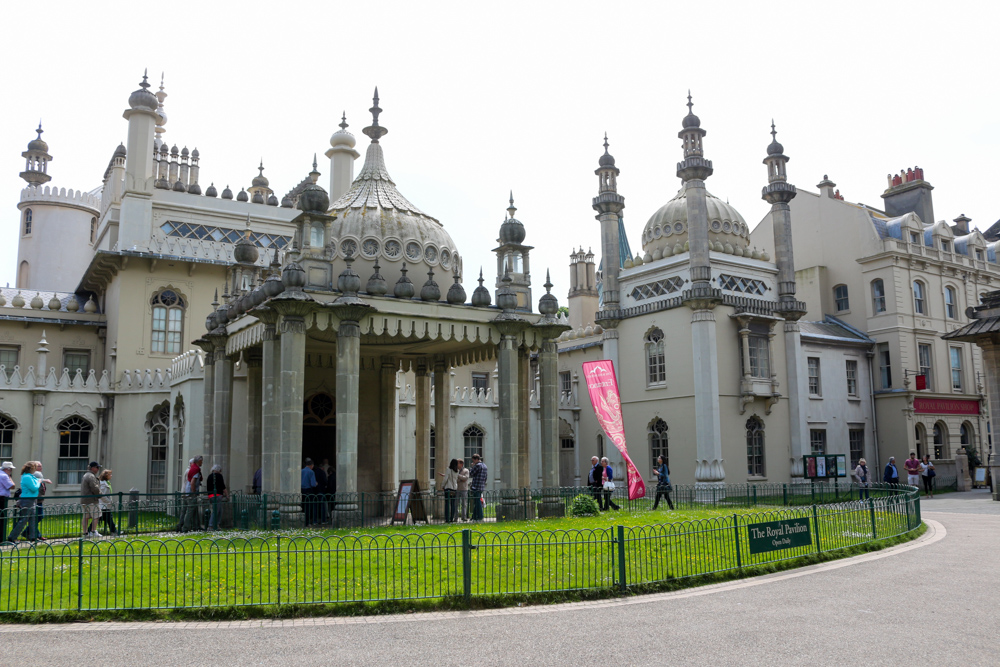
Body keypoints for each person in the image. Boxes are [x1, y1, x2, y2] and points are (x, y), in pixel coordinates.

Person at [7, 462, 41, 542]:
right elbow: (34, 487)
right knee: (24, 519)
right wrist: (39, 483)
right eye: (35, 467)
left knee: (33, 519)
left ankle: (33, 537)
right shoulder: (27, 477)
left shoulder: (30, 476)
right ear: (31, 468)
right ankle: (12, 537)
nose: (36, 469)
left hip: (32, 499)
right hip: (27, 500)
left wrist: (42, 480)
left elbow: (37, 480)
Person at [177, 456, 204, 532]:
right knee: (189, 511)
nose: (202, 463)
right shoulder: (195, 470)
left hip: (186, 493)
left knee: (192, 510)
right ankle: (185, 528)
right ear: (198, 461)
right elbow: (192, 482)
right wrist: (194, 492)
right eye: (201, 461)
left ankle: (196, 526)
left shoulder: (191, 469)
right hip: (189, 493)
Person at [80, 461, 102, 537]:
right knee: (97, 515)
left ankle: (85, 533)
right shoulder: (91, 476)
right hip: (91, 500)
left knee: (85, 517)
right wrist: (100, 494)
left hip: (84, 500)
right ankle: (93, 531)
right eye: (97, 467)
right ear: (92, 468)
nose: (98, 469)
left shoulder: (85, 475)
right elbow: (94, 488)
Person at [206, 464, 228, 530]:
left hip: (211, 495)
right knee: (216, 510)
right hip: (217, 495)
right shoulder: (219, 476)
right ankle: (211, 525)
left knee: (219, 510)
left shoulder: (209, 476)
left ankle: (217, 524)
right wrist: (227, 495)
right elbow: (223, 486)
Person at [438, 459, 459, 523]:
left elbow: (446, 479)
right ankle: (451, 518)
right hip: (454, 488)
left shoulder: (448, 469)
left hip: (448, 488)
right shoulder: (457, 471)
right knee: (453, 504)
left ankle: (447, 519)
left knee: (447, 504)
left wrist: (442, 486)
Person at [468, 454, 488, 521]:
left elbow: (471, 474)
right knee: (477, 502)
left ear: (476, 459)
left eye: (473, 461)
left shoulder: (477, 466)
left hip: (476, 486)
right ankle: (474, 517)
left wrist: (472, 467)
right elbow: (485, 477)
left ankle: (480, 516)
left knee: (477, 502)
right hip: (481, 486)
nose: (473, 462)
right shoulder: (485, 466)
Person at [98, 469, 117, 535]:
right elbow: (102, 495)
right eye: (110, 474)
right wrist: (108, 501)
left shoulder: (107, 483)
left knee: (108, 518)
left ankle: (114, 531)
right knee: (107, 518)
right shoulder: (103, 484)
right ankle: (114, 531)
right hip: (103, 505)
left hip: (105, 505)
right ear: (106, 475)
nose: (111, 476)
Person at [301, 459, 319, 526]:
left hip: (302, 490)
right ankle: (307, 522)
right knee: (309, 507)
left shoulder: (301, 471)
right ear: (311, 465)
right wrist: (316, 483)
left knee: (302, 506)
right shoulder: (311, 472)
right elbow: (313, 484)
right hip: (309, 490)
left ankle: (302, 521)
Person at [0, 462, 13, 539]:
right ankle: (1, 538)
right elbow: (12, 486)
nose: (11, 471)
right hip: (1, 499)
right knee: (2, 518)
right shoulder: (4, 476)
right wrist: (10, 477)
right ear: (7, 469)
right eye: (10, 469)